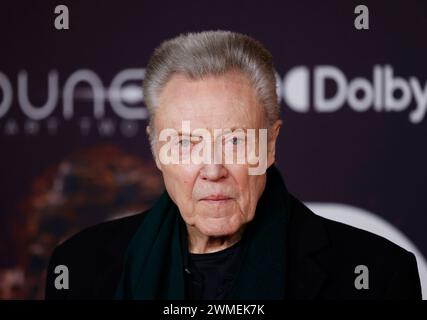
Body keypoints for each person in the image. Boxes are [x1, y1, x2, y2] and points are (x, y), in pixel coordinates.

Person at [45, 30, 421, 300]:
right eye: (186, 143)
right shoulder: (80, 269)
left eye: (235, 141)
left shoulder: (377, 275)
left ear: (271, 144)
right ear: (156, 149)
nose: (212, 169)